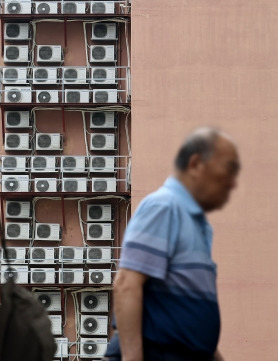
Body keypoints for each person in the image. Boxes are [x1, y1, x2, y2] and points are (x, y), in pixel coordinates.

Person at [110, 127, 240, 361]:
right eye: (228, 170)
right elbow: (126, 284)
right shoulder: (164, 207)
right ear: (196, 164)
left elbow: (189, 321)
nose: (232, 183)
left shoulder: (198, 224)